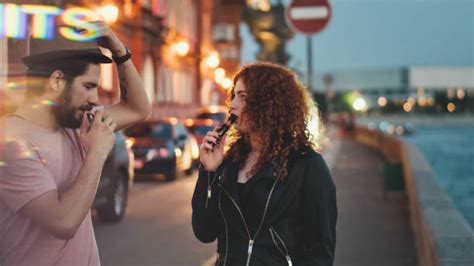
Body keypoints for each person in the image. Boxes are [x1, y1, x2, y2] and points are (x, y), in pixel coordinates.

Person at [0, 21, 151, 265]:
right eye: (89, 86)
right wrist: (98, 151)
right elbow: (63, 222)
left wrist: (120, 52)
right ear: (57, 80)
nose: (95, 99)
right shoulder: (10, 142)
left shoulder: (74, 123)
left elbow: (138, 108)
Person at [192, 62, 337, 265]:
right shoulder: (231, 162)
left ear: (269, 103)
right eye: (233, 95)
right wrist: (208, 171)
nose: (232, 104)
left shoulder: (307, 165)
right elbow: (204, 231)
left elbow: (320, 252)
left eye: (242, 96)